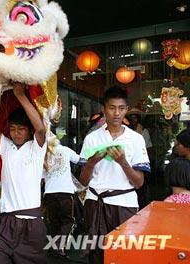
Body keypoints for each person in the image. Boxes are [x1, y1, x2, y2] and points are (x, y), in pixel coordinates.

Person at [79, 86, 150, 264]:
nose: (116, 113)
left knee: (123, 255)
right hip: (94, 202)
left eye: (121, 108)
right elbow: (83, 181)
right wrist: (91, 162)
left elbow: (139, 183)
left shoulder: (136, 139)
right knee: (96, 254)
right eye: (112, 108)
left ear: (126, 109)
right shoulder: (92, 138)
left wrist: (123, 162)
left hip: (123, 204)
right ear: (104, 109)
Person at [0, 82, 47, 264]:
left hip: (32, 226)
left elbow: (41, 129)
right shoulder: (6, 147)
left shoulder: (37, 148)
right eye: (13, 128)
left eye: (21, 129)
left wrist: (20, 95)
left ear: (29, 131)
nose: (16, 133)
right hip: (5, 224)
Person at [43, 144, 84, 258]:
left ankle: (53, 249)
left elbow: (41, 176)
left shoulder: (43, 153)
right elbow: (79, 160)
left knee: (54, 222)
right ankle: (58, 247)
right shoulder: (65, 149)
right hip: (65, 192)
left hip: (49, 193)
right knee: (69, 221)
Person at [164, 129, 190, 204]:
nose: (176, 147)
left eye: (179, 144)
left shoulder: (179, 165)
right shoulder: (178, 161)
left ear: (187, 146)